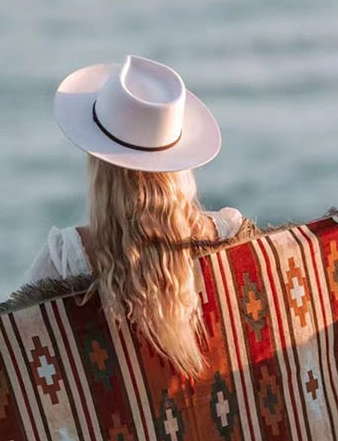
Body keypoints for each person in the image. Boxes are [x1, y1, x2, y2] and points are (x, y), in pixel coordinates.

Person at [23, 55, 245, 378]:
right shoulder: (231, 238)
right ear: (179, 162)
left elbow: (8, 354)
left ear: (100, 166)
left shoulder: (66, 262)